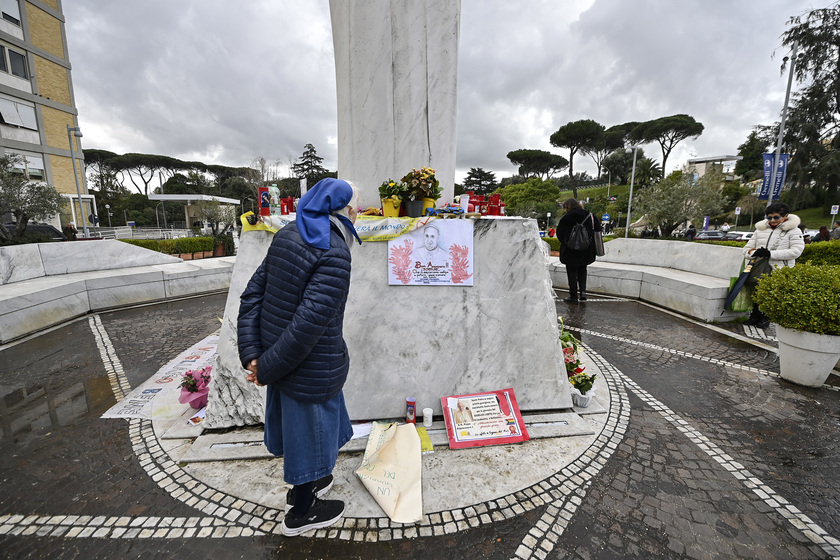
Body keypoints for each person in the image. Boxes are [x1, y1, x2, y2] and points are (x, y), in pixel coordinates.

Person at [237, 178, 361, 537]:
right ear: (345, 211)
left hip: (283, 361)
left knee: (308, 429)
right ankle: (302, 512)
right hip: (307, 363)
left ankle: (313, 482)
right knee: (312, 431)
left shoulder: (288, 234)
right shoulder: (334, 252)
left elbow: (252, 296)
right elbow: (309, 327)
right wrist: (265, 367)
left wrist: (254, 356)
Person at [742, 202, 804, 329]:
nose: (772, 220)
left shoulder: (794, 231)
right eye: (769, 217)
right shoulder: (760, 230)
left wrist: (771, 254)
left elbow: (796, 251)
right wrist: (755, 252)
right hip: (759, 267)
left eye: (776, 217)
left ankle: (765, 317)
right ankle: (755, 315)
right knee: (757, 291)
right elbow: (746, 249)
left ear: (785, 216)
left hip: (779, 268)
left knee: (771, 294)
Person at [557, 198, 602, 303]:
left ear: (567, 207)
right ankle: (583, 293)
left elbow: (560, 233)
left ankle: (573, 296)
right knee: (583, 270)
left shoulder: (567, 217)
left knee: (571, 271)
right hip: (586, 250)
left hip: (570, 250)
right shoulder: (590, 215)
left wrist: (567, 242)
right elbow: (598, 230)